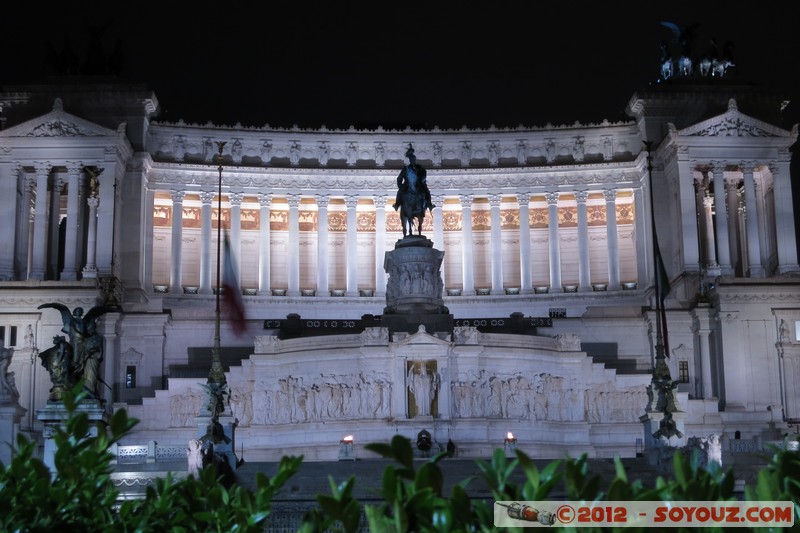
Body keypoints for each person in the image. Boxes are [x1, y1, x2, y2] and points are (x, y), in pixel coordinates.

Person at [37, 302, 118, 398]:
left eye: (80, 311)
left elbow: (88, 330)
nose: (79, 312)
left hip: (83, 343)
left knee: (82, 361)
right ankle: (74, 372)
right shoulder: (71, 321)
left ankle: (79, 378)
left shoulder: (84, 322)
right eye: (78, 311)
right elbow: (63, 310)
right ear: (75, 312)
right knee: (75, 361)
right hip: (75, 343)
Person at [393, 145, 435, 212]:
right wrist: (400, 186)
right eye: (411, 160)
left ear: (415, 160)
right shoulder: (406, 169)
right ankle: (397, 204)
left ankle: (429, 204)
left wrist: (422, 179)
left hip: (418, 183)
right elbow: (399, 178)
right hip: (407, 184)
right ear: (410, 160)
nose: (413, 161)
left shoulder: (419, 167)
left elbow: (424, 173)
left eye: (414, 160)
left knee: (426, 191)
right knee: (400, 191)